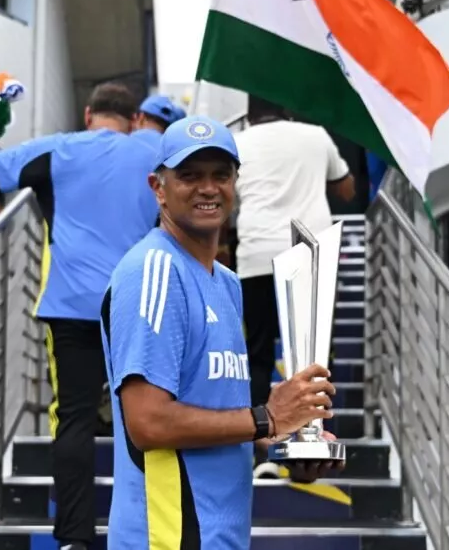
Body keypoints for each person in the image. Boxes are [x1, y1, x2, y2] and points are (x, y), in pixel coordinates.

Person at [101, 115, 343, 549]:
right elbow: (148, 422)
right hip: (167, 537)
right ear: (158, 187)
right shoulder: (153, 269)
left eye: (220, 174)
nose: (208, 188)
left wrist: (285, 442)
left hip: (220, 534)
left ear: (236, 183)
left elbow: (217, 414)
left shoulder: (227, 284)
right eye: (189, 176)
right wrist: (266, 417)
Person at [0, 81, 158, 550]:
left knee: (73, 419)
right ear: (133, 121)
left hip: (72, 305)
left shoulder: (61, 148)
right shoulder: (154, 151)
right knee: (148, 418)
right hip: (138, 301)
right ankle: (145, 531)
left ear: (88, 115)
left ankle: (75, 537)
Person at [232, 96, 355, 411]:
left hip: (256, 256)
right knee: (312, 355)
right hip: (309, 256)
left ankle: (260, 434)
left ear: (249, 114)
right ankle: (311, 434)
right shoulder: (315, 135)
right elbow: (346, 190)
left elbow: (226, 198)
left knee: (258, 355)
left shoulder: (235, 144)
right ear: (286, 108)